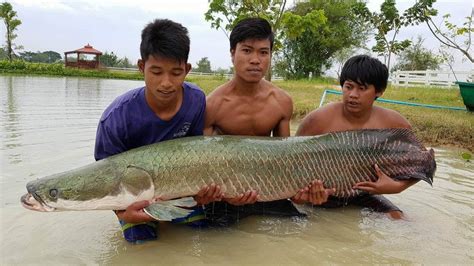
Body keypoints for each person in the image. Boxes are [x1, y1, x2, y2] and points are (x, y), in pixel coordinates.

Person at [94, 19, 222, 243]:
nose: (166, 83)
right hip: (136, 202)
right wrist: (123, 214)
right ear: (142, 67)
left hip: (179, 193)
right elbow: (105, 182)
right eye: (156, 72)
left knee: (201, 239)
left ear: (187, 70)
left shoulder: (196, 100)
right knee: (142, 247)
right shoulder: (115, 119)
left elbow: (197, 155)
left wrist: (201, 195)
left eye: (176, 73)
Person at [203, 17, 335, 226]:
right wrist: (226, 194)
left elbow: (287, 157)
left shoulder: (281, 101)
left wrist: (301, 192)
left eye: (263, 52)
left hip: (269, 189)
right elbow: (203, 163)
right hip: (226, 194)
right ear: (232, 54)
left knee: (300, 228)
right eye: (247, 50)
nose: (255, 60)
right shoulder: (212, 105)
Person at [296, 54, 419, 219]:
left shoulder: (394, 124)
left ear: (379, 91)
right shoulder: (317, 120)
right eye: (348, 86)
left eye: (362, 88)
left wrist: (397, 187)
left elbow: (425, 164)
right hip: (323, 194)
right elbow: (291, 161)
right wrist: (304, 193)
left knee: (397, 217)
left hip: (364, 192)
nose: (353, 94)